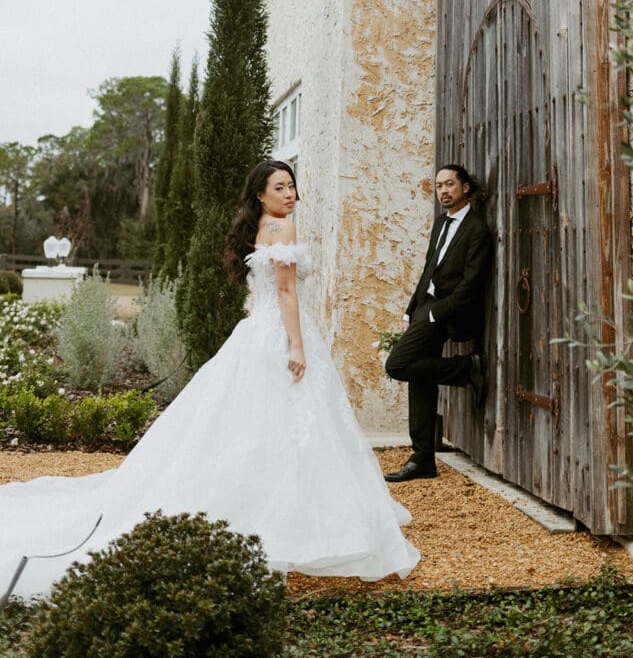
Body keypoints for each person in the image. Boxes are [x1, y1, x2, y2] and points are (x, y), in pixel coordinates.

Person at [0, 160, 418, 601]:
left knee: (255, 425)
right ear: (260, 193)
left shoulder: (257, 226)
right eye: (280, 187)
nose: (290, 193)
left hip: (257, 329)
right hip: (279, 333)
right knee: (292, 420)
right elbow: (286, 292)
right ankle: (295, 517)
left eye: (292, 185)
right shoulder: (283, 229)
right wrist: (296, 345)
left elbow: (261, 293)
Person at [384, 165, 492, 483]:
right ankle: (422, 459)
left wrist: (435, 314)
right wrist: (410, 310)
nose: (443, 190)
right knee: (420, 377)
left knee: (397, 365)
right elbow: (428, 269)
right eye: (438, 186)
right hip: (425, 309)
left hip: (447, 312)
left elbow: (471, 285)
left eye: (449, 184)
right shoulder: (440, 223)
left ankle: (466, 368)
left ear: (466, 188)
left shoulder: (477, 230)